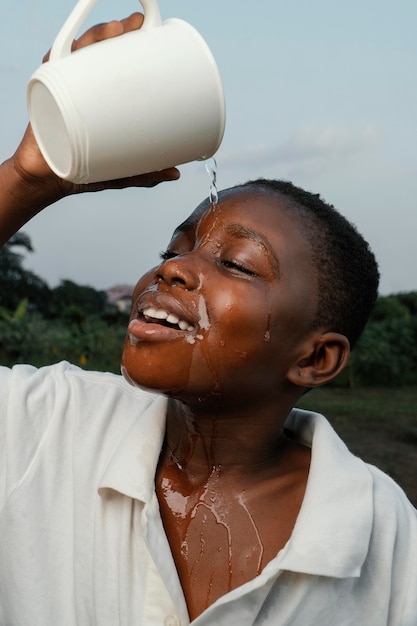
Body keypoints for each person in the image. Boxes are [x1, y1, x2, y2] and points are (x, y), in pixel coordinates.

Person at [1, 14, 416, 626]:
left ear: (315, 358)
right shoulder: (49, 428)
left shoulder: (385, 543)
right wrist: (28, 177)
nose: (173, 271)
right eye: (173, 250)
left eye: (240, 265)